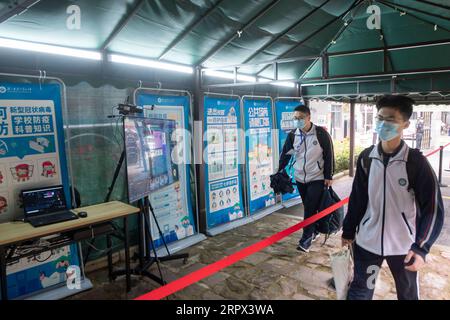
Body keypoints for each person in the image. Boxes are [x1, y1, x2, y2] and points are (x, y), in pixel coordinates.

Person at [342, 95, 444, 300]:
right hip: (367, 242)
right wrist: (348, 230)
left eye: (390, 119)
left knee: (407, 294)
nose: (382, 124)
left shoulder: (415, 163)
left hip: (404, 246)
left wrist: (421, 247)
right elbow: (358, 199)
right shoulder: (366, 158)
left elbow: (433, 208)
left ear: (405, 124)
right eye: (380, 118)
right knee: (361, 290)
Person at [278, 104, 335, 253]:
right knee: (309, 206)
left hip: (317, 177)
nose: (297, 121)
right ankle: (314, 230)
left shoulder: (321, 134)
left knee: (309, 208)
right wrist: (279, 170)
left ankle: (306, 240)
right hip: (299, 178)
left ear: (309, 117)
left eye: (300, 118)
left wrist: (329, 176)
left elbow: (329, 155)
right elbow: (286, 154)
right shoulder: (293, 135)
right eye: (295, 118)